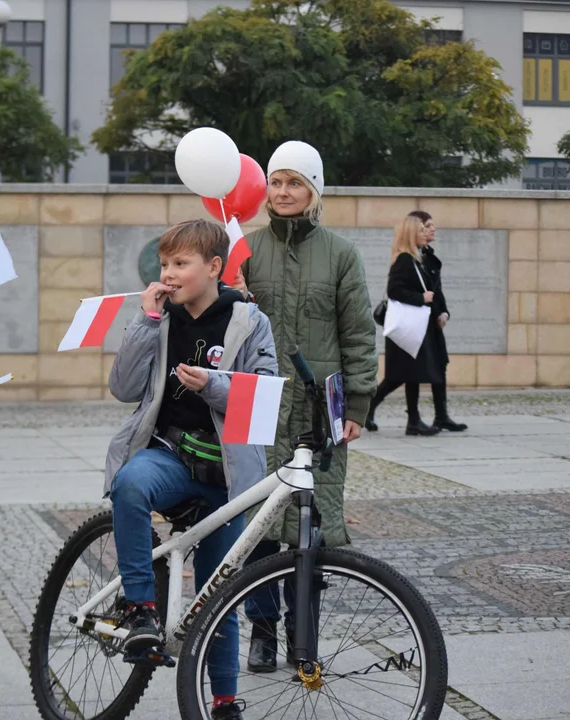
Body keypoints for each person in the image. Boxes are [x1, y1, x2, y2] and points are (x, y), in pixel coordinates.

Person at [106, 219, 277, 719]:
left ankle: (224, 701)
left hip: (226, 476)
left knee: (216, 597)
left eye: (181, 264)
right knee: (130, 484)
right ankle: (140, 608)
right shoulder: (161, 318)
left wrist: (215, 386)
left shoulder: (249, 321)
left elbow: (263, 402)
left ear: (214, 267)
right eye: (165, 265)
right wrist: (145, 322)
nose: (170, 274)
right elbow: (122, 388)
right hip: (170, 456)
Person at [231, 141, 377, 672]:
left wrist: (357, 403)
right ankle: (263, 631)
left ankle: (303, 631)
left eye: (295, 182)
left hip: (317, 411)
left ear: (314, 189)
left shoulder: (340, 253)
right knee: (260, 525)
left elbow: (359, 333)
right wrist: (235, 295)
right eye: (276, 182)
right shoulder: (245, 250)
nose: (284, 192)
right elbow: (229, 330)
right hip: (262, 406)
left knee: (309, 527)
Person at [365, 210, 466, 434]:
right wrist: (421, 298)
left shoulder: (419, 259)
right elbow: (394, 290)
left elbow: (435, 291)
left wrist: (442, 311)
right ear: (412, 233)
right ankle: (391, 415)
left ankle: (417, 421)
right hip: (408, 327)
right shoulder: (405, 260)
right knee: (401, 376)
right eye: (421, 229)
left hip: (419, 325)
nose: (427, 231)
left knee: (414, 373)